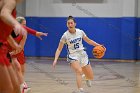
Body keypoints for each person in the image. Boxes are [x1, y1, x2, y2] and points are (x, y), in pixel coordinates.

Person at [52, 16, 101, 93]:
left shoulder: (80, 32)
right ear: (67, 25)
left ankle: (87, 78)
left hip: (82, 54)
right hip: (73, 56)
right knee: (79, 71)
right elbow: (59, 49)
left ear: (75, 24)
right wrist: (55, 59)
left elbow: (88, 41)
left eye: (71, 23)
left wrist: (98, 45)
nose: (70, 24)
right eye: (68, 23)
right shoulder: (65, 36)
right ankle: (80, 90)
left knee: (91, 76)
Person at [9, 16, 48, 93]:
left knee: (22, 70)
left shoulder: (24, 32)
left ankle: (20, 85)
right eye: (24, 24)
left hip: (18, 52)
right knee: (15, 69)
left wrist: (36, 33)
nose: (25, 26)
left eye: (25, 24)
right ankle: (22, 87)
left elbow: (20, 47)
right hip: (9, 52)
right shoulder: (10, 30)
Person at [0, 0, 27, 93]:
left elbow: (4, 32)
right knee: (7, 89)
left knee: (16, 88)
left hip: (3, 50)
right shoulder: (10, 1)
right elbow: (4, 14)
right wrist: (15, 24)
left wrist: (15, 45)